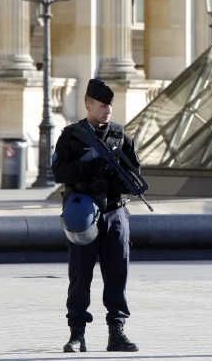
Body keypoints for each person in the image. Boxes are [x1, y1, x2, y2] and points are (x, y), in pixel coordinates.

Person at [52, 79, 141, 353]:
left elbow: (135, 175)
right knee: (80, 275)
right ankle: (77, 335)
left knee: (117, 273)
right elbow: (60, 172)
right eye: (102, 105)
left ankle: (117, 332)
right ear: (88, 105)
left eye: (110, 105)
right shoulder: (71, 136)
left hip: (115, 212)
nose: (108, 111)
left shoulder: (120, 136)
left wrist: (118, 179)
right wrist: (91, 170)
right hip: (83, 212)